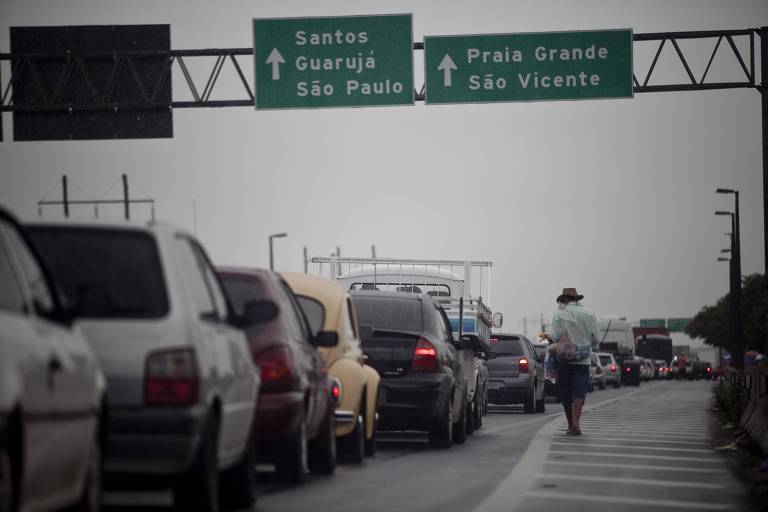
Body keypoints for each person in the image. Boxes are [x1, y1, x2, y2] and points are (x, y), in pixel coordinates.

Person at [544, 287, 599, 436]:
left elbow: (555, 336)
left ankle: (570, 425)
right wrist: (584, 347)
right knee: (579, 393)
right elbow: (595, 340)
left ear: (565, 299)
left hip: (564, 361)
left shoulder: (559, 314)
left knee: (566, 394)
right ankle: (576, 423)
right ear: (577, 299)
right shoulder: (589, 314)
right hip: (583, 361)